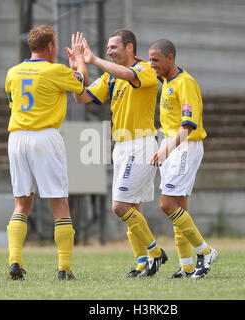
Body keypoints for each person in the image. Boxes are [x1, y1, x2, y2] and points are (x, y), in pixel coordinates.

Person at [73, 29, 167, 277]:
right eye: (107, 48)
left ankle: (155, 252)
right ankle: (142, 262)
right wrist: (79, 67)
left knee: (119, 206)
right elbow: (81, 98)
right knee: (132, 208)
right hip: (122, 147)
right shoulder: (109, 78)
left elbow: (128, 75)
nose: (108, 51)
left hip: (141, 144)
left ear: (129, 48)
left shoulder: (145, 69)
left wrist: (93, 60)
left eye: (113, 47)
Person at [4, 25, 88, 280]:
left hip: (17, 138)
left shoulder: (13, 72)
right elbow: (81, 85)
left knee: (21, 203)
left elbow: (12, 102)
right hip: (45, 137)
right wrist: (79, 62)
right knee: (59, 202)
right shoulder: (55, 70)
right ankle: (64, 268)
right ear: (50, 46)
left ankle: (15, 261)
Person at [148, 39, 218, 279]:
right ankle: (187, 266)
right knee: (179, 208)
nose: (151, 64)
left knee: (167, 205)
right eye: (149, 59)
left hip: (184, 147)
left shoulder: (185, 82)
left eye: (155, 59)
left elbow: (188, 125)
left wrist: (166, 150)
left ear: (170, 58)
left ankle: (206, 252)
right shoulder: (167, 81)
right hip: (172, 146)